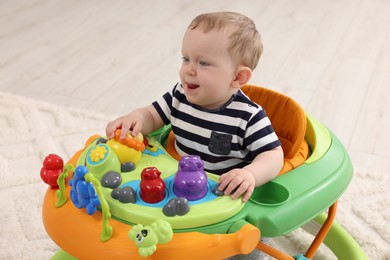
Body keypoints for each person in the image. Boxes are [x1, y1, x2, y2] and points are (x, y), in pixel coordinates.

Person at [106, 11, 284, 203]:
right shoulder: (179, 94)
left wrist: (250, 174)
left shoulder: (248, 117)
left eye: (204, 63)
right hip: (174, 180)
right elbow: (152, 115)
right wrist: (136, 118)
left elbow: (273, 155)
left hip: (219, 193)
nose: (189, 70)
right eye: (186, 59)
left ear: (237, 77)